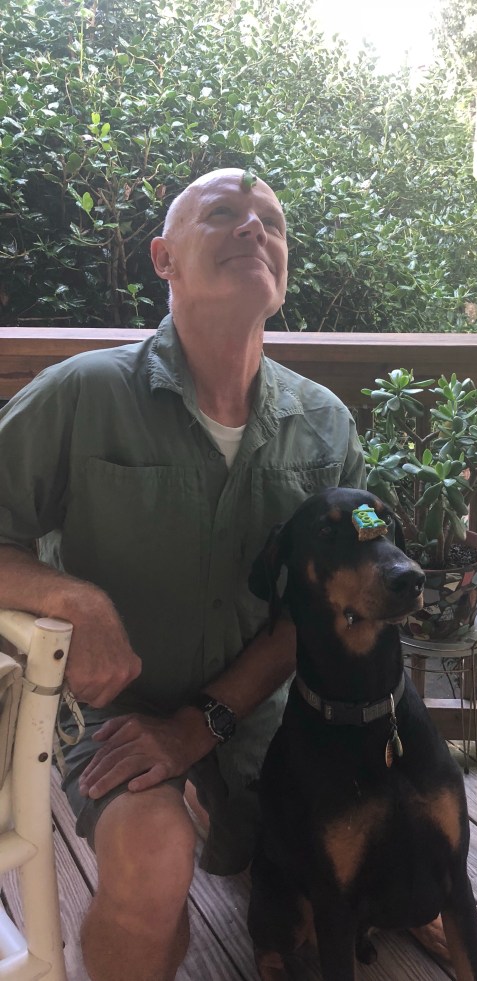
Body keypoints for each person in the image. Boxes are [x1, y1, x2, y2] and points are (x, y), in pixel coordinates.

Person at [0, 168, 365, 981]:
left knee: (367, 860)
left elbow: (316, 611)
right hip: (113, 709)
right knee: (153, 862)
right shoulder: (83, 394)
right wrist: (71, 596)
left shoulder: (326, 426)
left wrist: (202, 723)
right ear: (163, 258)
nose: (253, 229)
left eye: (270, 221)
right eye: (224, 213)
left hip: (270, 717)